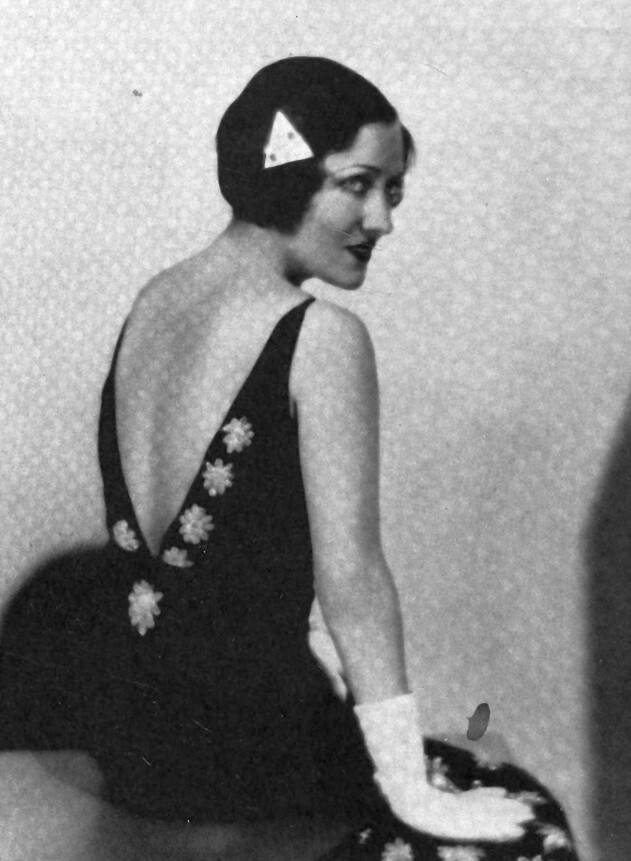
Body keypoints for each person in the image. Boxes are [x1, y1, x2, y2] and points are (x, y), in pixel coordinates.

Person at [0, 57, 579, 860]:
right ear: (286, 175)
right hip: (257, 764)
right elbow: (354, 584)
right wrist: (413, 794)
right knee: (529, 817)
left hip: (138, 753)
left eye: (392, 191)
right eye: (357, 185)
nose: (381, 219)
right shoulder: (320, 339)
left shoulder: (155, 300)